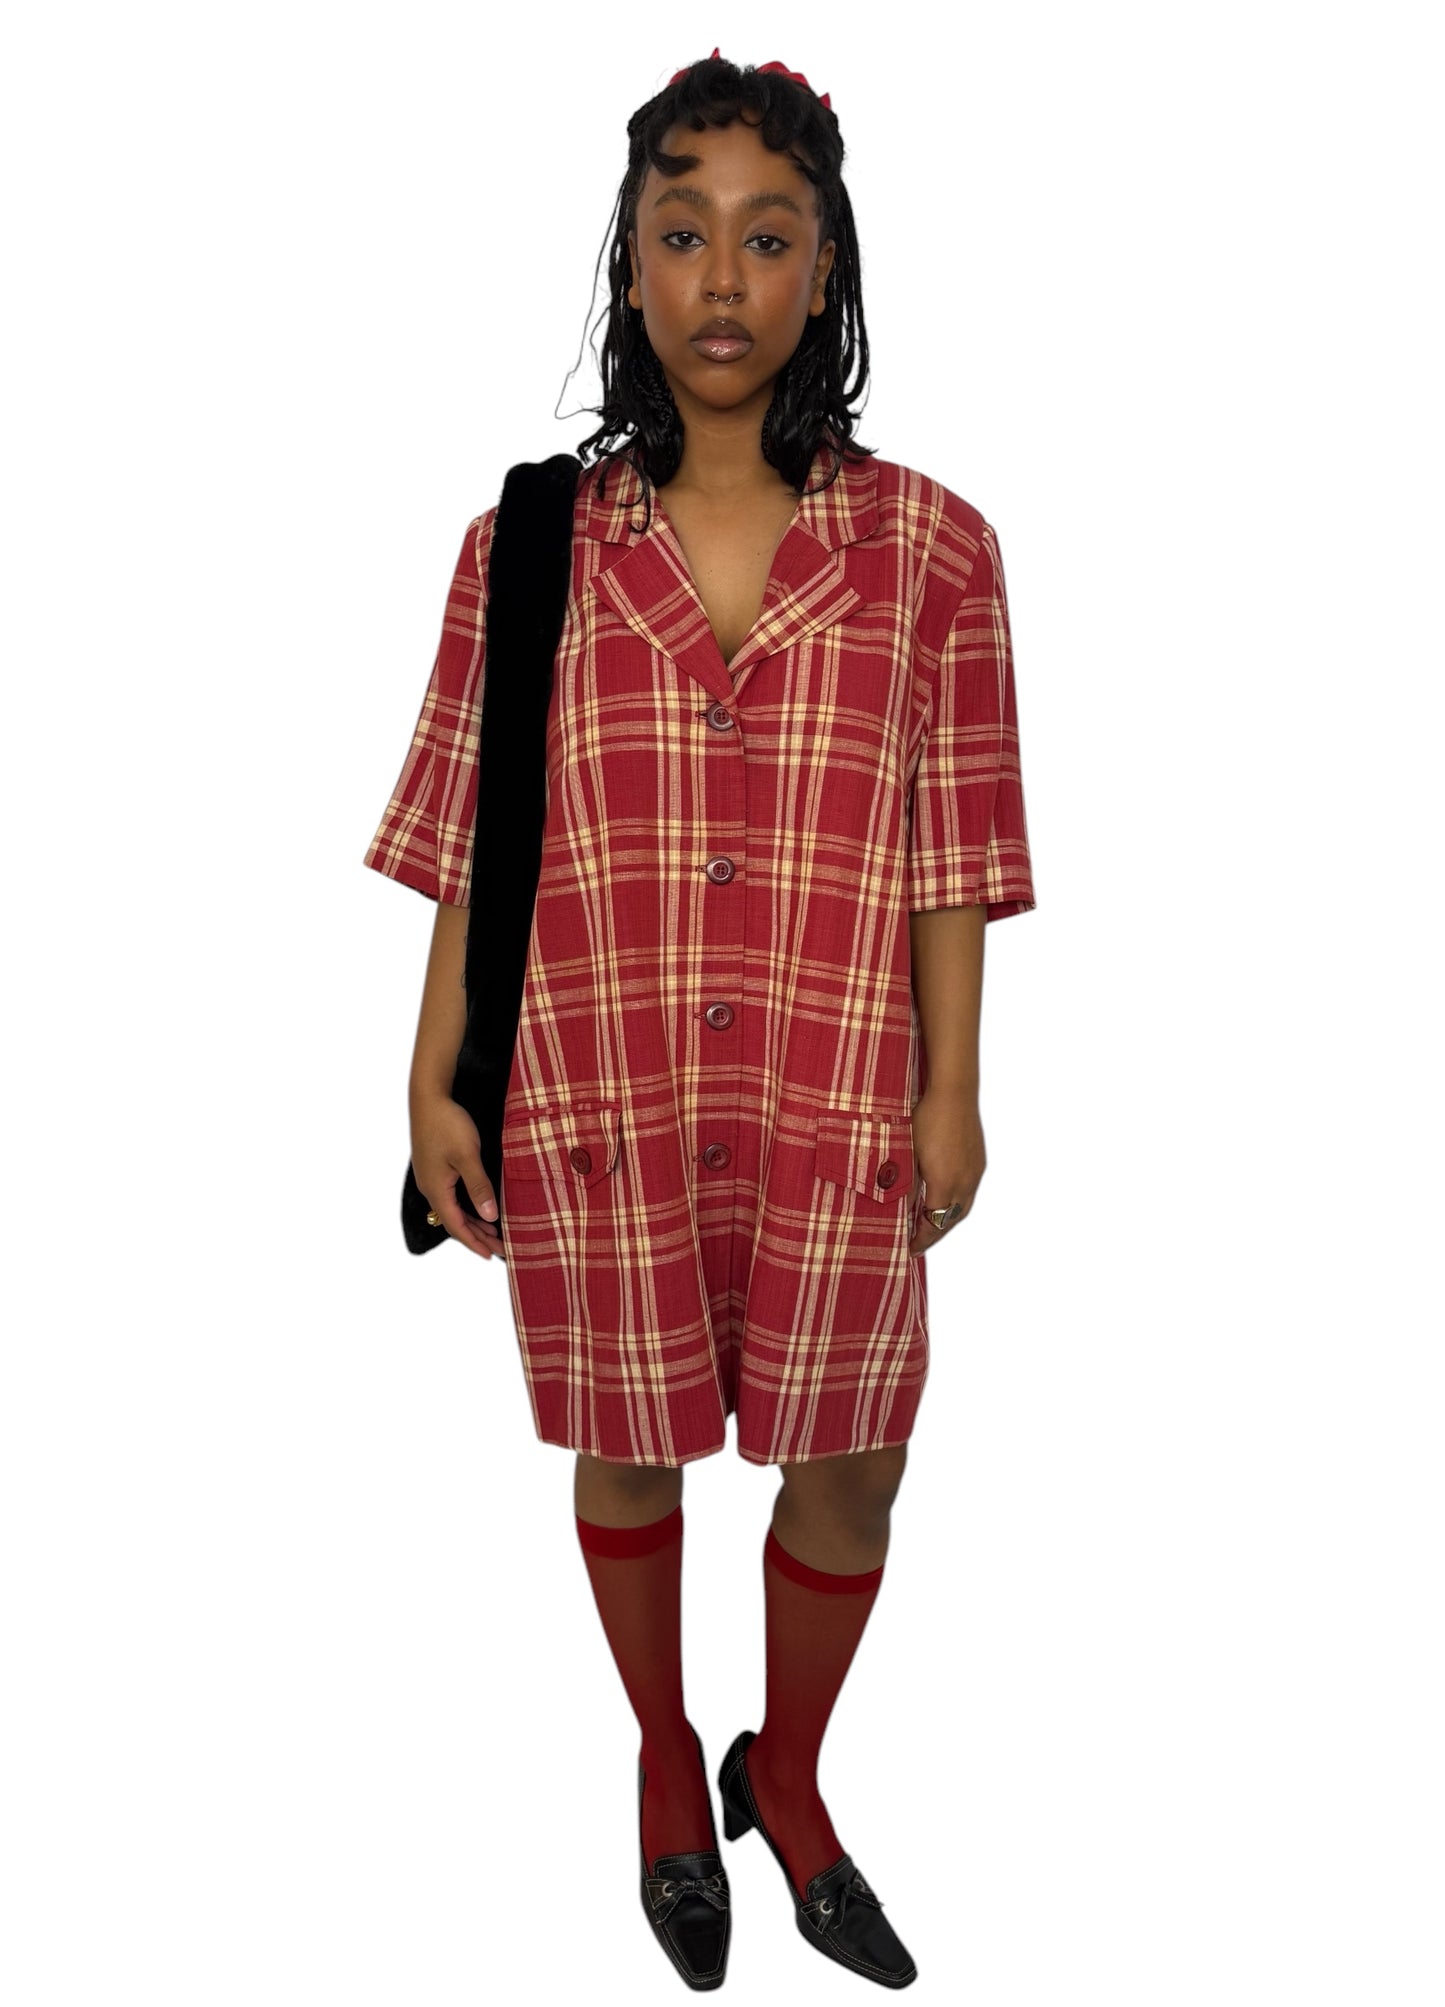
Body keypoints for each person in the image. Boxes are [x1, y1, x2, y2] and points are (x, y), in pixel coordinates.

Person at [363, 51, 1036, 1992]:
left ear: (826, 269)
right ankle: (665, 1755)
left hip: (836, 1098)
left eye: (766, 236)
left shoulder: (935, 551)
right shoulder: (524, 548)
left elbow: (952, 846)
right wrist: (430, 1078)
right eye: (682, 234)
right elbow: (477, 841)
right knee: (628, 1439)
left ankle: (788, 1769)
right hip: (601, 1086)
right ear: (631, 266)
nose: (722, 278)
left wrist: (956, 1088)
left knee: (853, 1459)